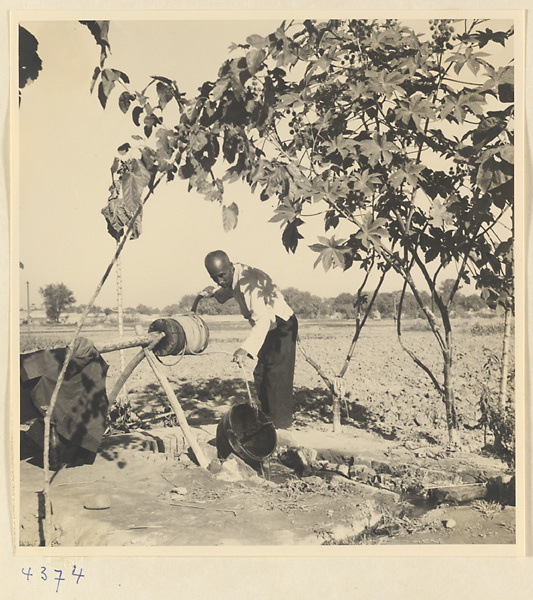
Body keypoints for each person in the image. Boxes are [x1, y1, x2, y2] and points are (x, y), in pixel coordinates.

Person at [199, 250, 298, 429]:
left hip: (281, 325)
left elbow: (263, 320)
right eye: (215, 278)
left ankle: (282, 427)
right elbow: (227, 291)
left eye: (221, 276)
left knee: (276, 376)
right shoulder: (234, 277)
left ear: (230, 266)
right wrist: (214, 293)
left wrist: (245, 349)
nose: (220, 281)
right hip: (269, 326)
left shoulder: (247, 282)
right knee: (261, 374)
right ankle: (269, 423)